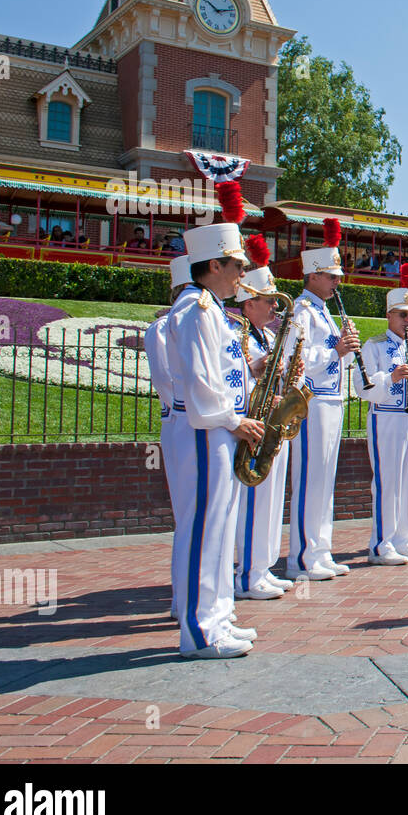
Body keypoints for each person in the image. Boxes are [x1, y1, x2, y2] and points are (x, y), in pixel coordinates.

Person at [164, 212, 265, 658]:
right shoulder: (195, 309)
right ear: (215, 265)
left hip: (220, 429)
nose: (243, 274)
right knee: (205, 527)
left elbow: (223, 372)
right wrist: (232, 419)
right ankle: (200, 631)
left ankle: (218, 617)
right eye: (237, 265)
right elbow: (202, 383)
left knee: (221, 529)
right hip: (208, 431)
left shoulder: (212, 310)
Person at [353, 267, 408, 564]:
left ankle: (405, 538)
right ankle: (381, 544)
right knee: (387, 481)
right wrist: (390, 378)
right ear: (389, 316)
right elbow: (362, 388)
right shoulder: (374, 345)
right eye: (403, 314)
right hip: (385, 417)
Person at [287, 218, 360, 581]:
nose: (337, 282)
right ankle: (301, 557)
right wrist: (336, 350)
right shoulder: (302, 309)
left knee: (325, 480)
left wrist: (344, 349)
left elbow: (333, 357)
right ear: (313, 275)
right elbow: (296, 360)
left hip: (331, 400)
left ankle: (320, 550)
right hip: (312, 402)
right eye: (332, 276)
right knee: (310, 479)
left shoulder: (323, 310)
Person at [232, 239, 301, 600]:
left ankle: (263, 566)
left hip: (271, 422)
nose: (275, 306)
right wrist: (255, 370)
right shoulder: (238, 333)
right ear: (248, 303)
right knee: (254, 500)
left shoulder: (269, 334)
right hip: (253, 424)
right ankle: (247, 572)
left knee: (273, 500)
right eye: (268, 300)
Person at [145, 255, 192, 619]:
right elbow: (166, 382)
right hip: (182, 421)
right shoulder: (164, 327)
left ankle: (190, 597)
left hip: (193, 418)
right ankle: (183, 598)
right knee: (189, 514)